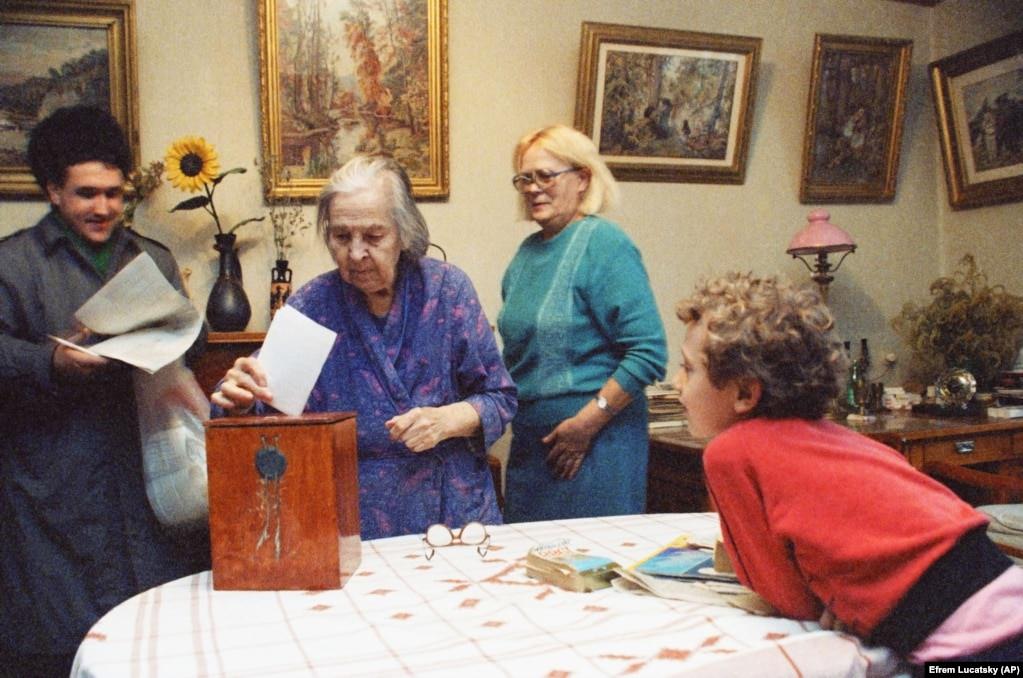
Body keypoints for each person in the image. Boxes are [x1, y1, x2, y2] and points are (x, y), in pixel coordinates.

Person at [673, 271, 1023, 667]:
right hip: (1005, 588)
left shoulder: (730, 453)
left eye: (688, 369)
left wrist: (825, 600)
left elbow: (786, 598)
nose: (676, 382)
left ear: (744, 393)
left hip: (978, 648)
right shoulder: (836, 437)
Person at [0, 106, 208, 677]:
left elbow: (191, 336)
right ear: (53, 192)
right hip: (50, 488)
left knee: (151, 642)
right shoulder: (13, 264)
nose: (104, 208)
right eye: (87, 194)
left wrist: (173, 342)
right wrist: (52, 361)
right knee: (55, 643)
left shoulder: (151, 257)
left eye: (114, 194)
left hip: (142, 477)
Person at [212, 155, 516, 540]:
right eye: (341, 237)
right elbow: (257, 407)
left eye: (373, 237)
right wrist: (239, 397)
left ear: (404, 234)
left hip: (454, 512)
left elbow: (501, 397)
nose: (355, 254)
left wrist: (447, 420)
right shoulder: (314, 305)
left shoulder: (447, 290)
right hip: (356, 522)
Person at [498, 125, 666, 522]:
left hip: (594, 449)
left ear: (583, 179)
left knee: (589, 574)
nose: (533, 187)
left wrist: (587, 425)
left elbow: (649, 352)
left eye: (546, 176)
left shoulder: (604, 243)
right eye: (525, 178)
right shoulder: (525, 254)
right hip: (532, 448)